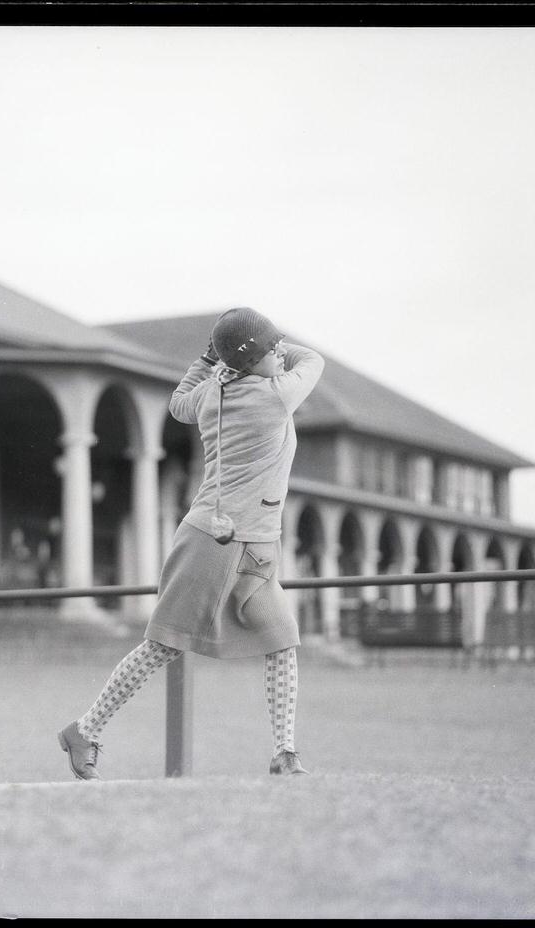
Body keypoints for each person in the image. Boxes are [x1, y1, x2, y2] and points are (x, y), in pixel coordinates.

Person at [58, 307, 324, 779]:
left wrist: (212, 361)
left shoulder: (211, 394)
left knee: (282, 643)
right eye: (269, 349)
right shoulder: (276, 396)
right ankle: (85, 730)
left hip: (258, 544)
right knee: (164, 645)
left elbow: (179, 402)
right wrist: (253, 353)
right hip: (214, 543)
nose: (280, 353)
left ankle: (285, 753)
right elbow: (314, 360)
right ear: (249, 361)